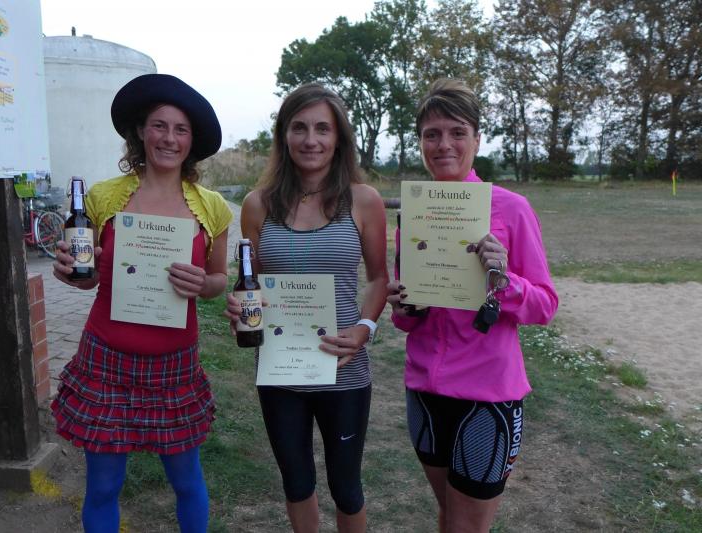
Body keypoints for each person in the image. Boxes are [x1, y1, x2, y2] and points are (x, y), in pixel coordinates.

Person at [50, 74, 232, 533]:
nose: (169, 138)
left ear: (191, 141)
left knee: (187, 481)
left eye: (180, 129)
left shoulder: (212, 207)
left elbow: (218, 281)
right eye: (159, 126)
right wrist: (70, 270)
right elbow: (88, 279)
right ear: (140, 132)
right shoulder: (104, 197)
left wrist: (203, 284)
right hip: (106, 360)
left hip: (174, 364)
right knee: (103, 487)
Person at [387, 78, 559, 532]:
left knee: (467, 526)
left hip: (487, 395)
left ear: (477, 139)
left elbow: (545, 305)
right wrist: (403, 307)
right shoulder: (415, 212)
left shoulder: (511, 208)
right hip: (425, 390)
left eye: (457, 132)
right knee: (448, 514)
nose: (444, 144)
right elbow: (408, 319)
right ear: (420, 142)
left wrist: (504, 282)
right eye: (432, 134)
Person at [225, 83, 388, 532]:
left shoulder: (364, 200)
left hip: (342, 367)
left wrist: (365, 328)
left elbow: (378, 278)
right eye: (299, 127)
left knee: (347, 488)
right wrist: (240, 310)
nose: (310, 139)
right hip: (280, 370)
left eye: (322, 128)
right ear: (284, 135)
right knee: (296, 483)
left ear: (338, 138)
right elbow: (251, 284)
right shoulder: (257, 205)